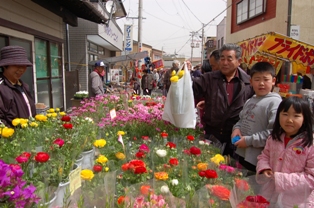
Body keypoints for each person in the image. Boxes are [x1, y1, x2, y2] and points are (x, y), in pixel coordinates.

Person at [193, 43, 254, 157]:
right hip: (212, 134)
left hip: (236, 136)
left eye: (229, 59)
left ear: (238, 61)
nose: (225, 63)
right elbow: (191, 89)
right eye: (222, 59)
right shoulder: (209, 78)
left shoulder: (248, 83)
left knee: (233, 169)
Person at [256, 96, 314, 207]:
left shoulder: (310, 144)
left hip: (294, 202)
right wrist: (264, 168)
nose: (289, 120)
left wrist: (279, 179)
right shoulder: (274, 138)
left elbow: (311, 178)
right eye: (285, 114)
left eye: (296, 116)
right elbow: (264, 156)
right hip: (269, 196)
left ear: (305, 119)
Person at [231, 62, 282, 173]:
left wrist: (249, 141)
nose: (261, 83)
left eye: (266, 79)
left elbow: (274, 133)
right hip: (243, 154)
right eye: (257, 79)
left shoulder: (275, 103)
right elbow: (241, 119)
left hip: (259, 160)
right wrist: (236, 129)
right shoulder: (250, 100)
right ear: (251, 82)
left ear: (273, 81)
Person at [0, 45, 36, 127]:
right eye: (17, 65)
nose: (21, 69)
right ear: (5, 66)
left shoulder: (23, 86)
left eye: (24, 66)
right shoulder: (2, 88)